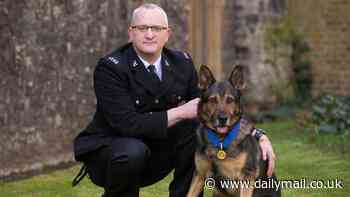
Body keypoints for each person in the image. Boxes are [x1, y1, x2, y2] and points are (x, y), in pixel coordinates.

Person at [72, 3, 276, 197]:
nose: (150, 34)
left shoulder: (182, 63)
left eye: (156, 28)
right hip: (112, 156)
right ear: (131, 32)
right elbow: (127, 124)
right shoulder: (111, 68)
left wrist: (258, 135)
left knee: (193, 132)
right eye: (142, 28)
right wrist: (179, 112)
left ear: (167, 34)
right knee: (133, 151)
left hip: (155, 153)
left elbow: (209, 110)